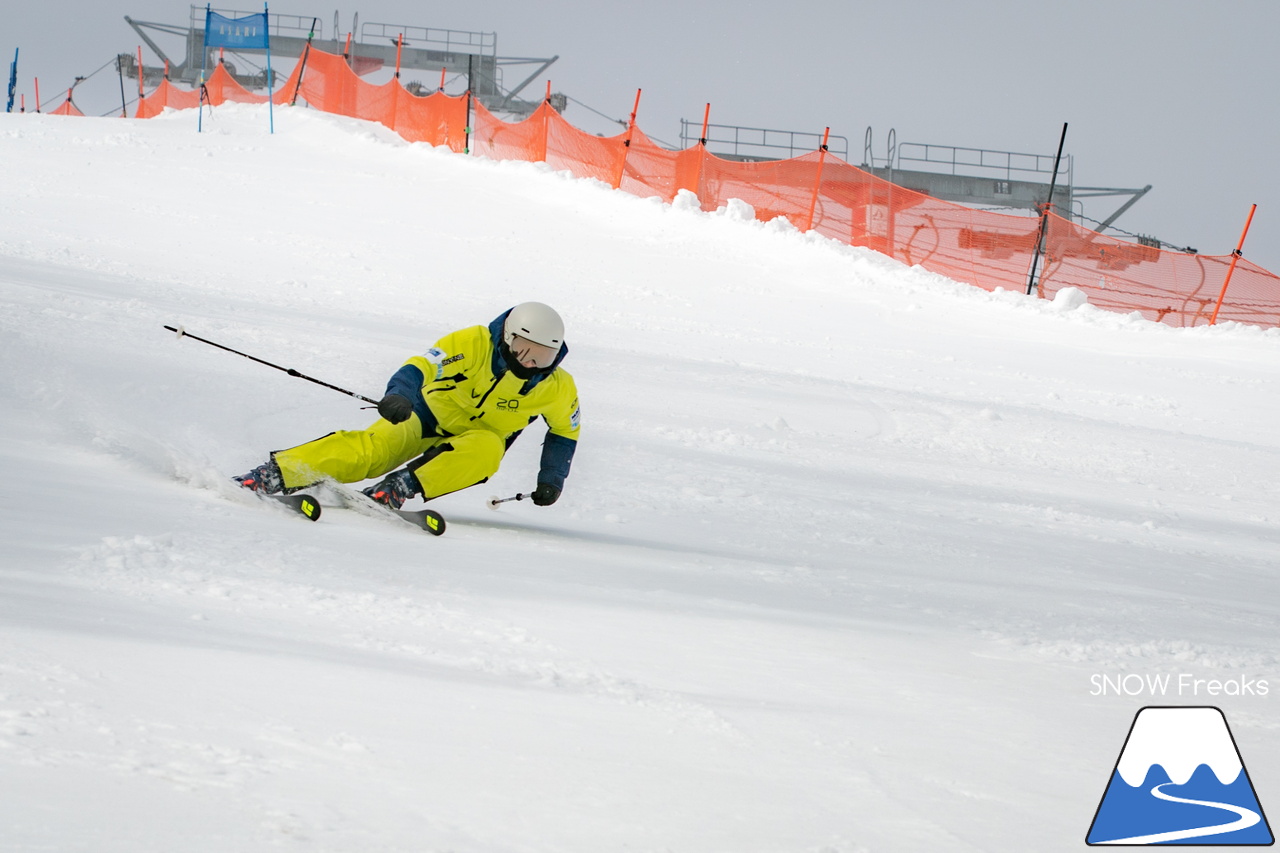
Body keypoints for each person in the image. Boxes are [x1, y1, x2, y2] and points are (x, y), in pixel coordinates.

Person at [234, 302, 580, 509]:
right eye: (524, 350)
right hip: (426, 416)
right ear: (508, 336)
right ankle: (276, 473)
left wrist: (552, 478)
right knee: (374, 451)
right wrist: (400, 393)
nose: (532, 363)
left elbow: (565, 430)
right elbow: (423, 366)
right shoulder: (471, 343)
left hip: (477, 438)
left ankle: (401, 486)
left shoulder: (557, 386)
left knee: (489, 449)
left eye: (543, 356)